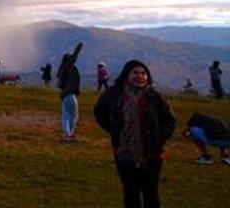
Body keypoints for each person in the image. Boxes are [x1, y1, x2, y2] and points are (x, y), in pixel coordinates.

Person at [94, 59, 176, 208]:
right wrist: (114, 130)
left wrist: (159, 138)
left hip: (152, 153)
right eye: (136, 73)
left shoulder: (155, 97)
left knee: (151, 193)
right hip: (124, 151)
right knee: (131, 192)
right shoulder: (113, 94)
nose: (140, 76)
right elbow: (99, 113)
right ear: (126, 75)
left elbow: (170, 121)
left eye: (143, 73)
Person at [58, 42, 84, 141]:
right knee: (73, 115)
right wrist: (77, 50)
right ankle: (69, 134)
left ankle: (68, 133)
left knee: (67, 115)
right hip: (70, 94)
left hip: (65, 94)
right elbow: (74, 58)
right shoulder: (68, 68)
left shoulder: (63, 69)